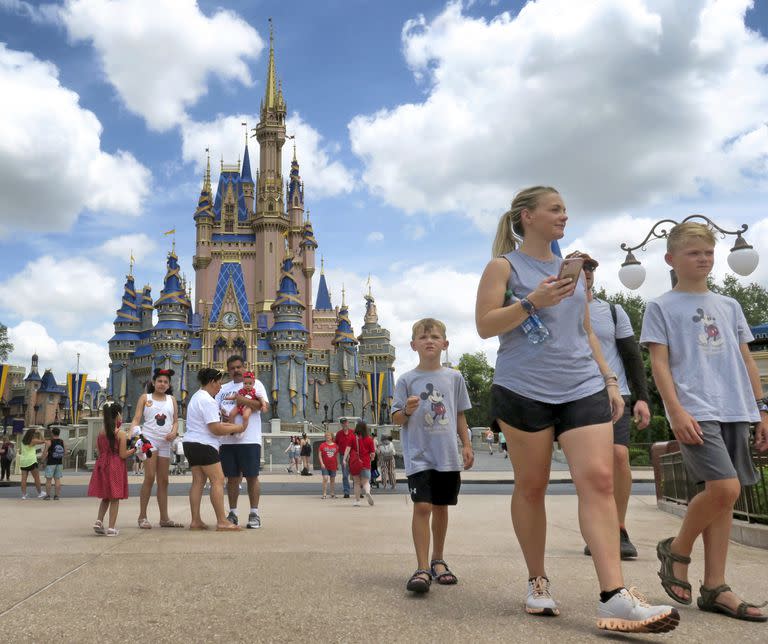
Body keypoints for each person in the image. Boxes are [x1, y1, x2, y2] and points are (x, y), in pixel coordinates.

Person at [474, 186, 678, 633]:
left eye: (566, 209)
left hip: (581, 386)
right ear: (526, 217)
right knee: (532, 485)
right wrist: (532, 302)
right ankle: (538, 581)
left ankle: (614, 596)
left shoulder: (576, 271)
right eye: (555, 209)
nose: (564, 216)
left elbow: (586, 331)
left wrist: (609, 382)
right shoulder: (504, 266)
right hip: (523, 388)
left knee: (601, 481)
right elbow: (485, 325)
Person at [641, 222, 768, 622]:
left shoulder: (730, 305)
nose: (703, 259)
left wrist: (762, 408)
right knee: (725, 487)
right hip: (695, 408)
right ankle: (677, 550)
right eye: (694, 253)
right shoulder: (660, 306)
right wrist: (674, 410)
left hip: (736, 407)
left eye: (708, 253)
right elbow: (658, 363)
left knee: (726, 496)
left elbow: (747, 359)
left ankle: (716, 586)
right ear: (671, 259)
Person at [566, 251, 652, 560]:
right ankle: (596, 530)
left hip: (617, 394)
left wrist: (642, 397)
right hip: (577, 396)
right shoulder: (561, 311)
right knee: (591, 469)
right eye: (579, 267)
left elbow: (632, 357)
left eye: (590, 267)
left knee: (618, 457)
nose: (586, 272)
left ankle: (618, 528)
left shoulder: (613, 312)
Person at [392, 318, 474, 594]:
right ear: (413, 345)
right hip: (419, 455)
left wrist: (467, 444)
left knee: (441, 507)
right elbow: (395, 419)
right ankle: (422, 567)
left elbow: (460, 413)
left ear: (445, 344)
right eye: (424, 337)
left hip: (447, 455)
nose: (430, 341)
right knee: (422, 507)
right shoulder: (406, 380)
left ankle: (438, 560)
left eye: (435, 337)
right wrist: (407, 410)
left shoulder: (454, 378)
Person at [183, 368, 246, 531]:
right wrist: (238, 428)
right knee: (218, 480)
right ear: (212, 382)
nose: (220, 386)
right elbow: (215, 429)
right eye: (219, 382)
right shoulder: (208, 401)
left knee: (198, 481)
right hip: (204, 445)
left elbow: (214, 425)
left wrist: (235, 426)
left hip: (190, 443)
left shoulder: (196, 397)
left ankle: (195, 520)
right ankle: (222, 521)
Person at [216, 355, 270, 529]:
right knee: (232, 479)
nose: (236, 370)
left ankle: (254, 513)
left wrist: (242, 400)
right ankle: (233, 513)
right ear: (228, 370)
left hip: (250, 439)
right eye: (232, 368)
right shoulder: (222, 388)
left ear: (244, 367)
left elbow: (262, 406)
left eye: (239, 367)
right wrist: (221, 414)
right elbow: (214, 409)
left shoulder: (255, 383)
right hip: (227, 441)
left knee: (252, 477)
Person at [129, 368, 183, 529]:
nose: (162, 384)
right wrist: (134, 434)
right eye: (159, 381)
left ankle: (164, 518)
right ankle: (142, 516)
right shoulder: (145, 398)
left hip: (165, 442)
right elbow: (137, 418)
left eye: (165, 382)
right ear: (153, 383)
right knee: (150, 476)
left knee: (164, 480)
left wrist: (174, 431)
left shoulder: (171, 399)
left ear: (169, 385)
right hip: (149, 440)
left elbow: (175, 421)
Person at [87, 402, 135, 536]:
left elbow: (99, 450)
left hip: (102, 465)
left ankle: (98, 521)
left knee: (105, 496)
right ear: (118, 415)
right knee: (115, 497)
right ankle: (112, 528)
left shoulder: (101, 433)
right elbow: (122, 454)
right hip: (115, 466)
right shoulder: (121, 434)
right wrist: (134, 450)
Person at [342, 421, 376, 507]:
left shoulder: (352, 437)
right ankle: (367, 492)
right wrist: (371, 459)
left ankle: (357, 501)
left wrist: (344, 459)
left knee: (356, 482)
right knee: (365, 482)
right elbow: (372, 453)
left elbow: (347, 448)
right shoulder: (369, 439)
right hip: (366, 463)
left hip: (355, 463)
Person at [19, 428, 46, 499]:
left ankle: (24, 495)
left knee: (23, 479)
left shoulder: (22, 441)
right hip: (31, 461)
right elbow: (43, 441)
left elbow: (21, 451)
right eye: (34, 434)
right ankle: (40, 493)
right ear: (32, 434)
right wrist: (40, 433)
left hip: (23, 461)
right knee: (36, 478)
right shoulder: (33, 440)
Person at [42, 427, 66, 500]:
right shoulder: (62, 441)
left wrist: (42, 461)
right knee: (57, 479)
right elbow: (66, 452)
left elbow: (45, 452)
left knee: (48, 480)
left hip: (50, 463)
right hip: (59, 462)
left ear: (52, 433)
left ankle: (48, 496)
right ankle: (56, 496)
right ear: (58, 433)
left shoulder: (49, 442)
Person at [334, 418, 355, 498]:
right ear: (341, 424)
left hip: (352, 455)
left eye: (345, 423)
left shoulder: (352, 432)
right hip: (343, 456)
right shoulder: (339, 434)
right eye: (342, 423)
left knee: (355, 474)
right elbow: (336, 445)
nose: (344, 424)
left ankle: (358, 491)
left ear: (348, 423)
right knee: (345, 475)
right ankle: (346, 492)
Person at [318, 431, 338, 498]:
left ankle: (332, 493)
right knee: (325, 478)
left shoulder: (335, 445)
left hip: (333, 465)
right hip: (325, 465)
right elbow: (320, 455)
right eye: (326, 436)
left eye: (329, 436)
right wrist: (321, 463)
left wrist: (337, 464)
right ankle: (324, 493)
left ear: (332, 437)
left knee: (332, 480)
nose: (327, 437)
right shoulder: (322, 445)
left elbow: (336, 455)